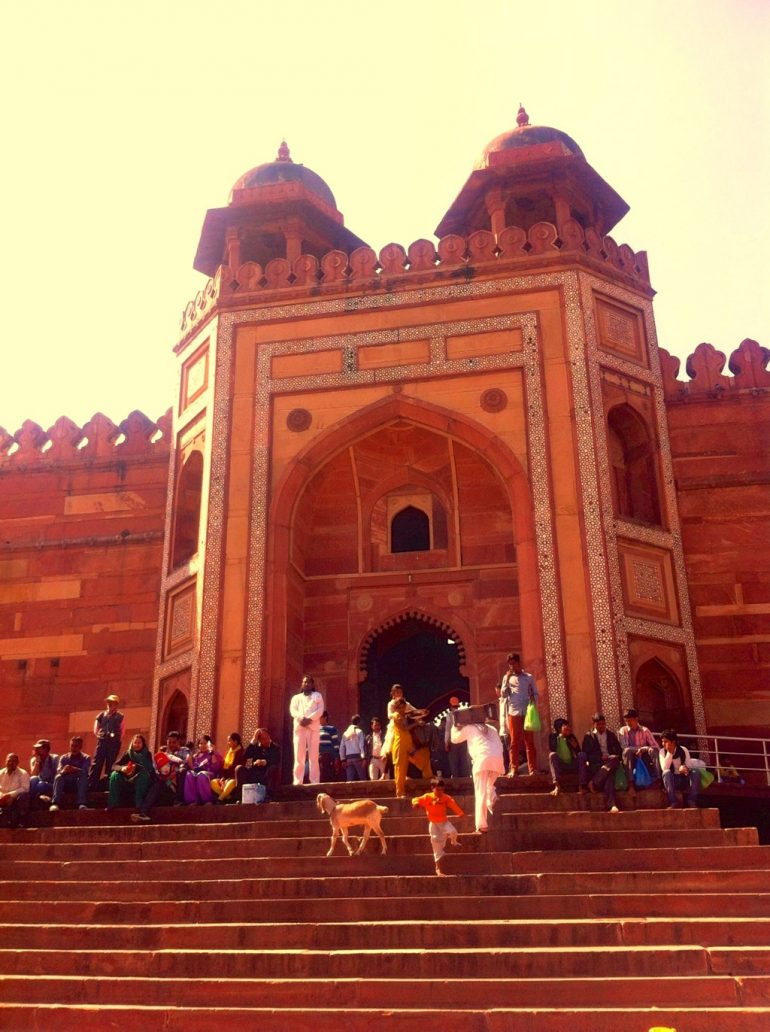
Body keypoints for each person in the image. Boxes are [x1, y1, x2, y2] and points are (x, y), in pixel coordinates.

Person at [450, 718, 504, 833]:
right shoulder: (492, 728)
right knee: (489, 786)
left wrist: (455, 726)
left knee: (480, 793)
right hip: (498, 760)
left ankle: (481, 825)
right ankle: (492, 797)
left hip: (481, 760)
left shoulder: (469, 728)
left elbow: (454, 739)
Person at [412, 777, 464, 876]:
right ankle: (438, 869)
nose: (440, 791)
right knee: (436, 846)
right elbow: (416, 799)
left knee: (453, 831)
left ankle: (453, 841)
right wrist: (416, 804)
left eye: (442, 789)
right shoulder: (427, 797)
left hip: (444, 822)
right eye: (438, 789)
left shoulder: (446, 798)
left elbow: (453, 804)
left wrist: (460, 813)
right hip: (434, 825)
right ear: (432, 788)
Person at [107, 733, 160, 822]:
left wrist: (136, 768)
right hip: (128, 780)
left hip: (142, 781)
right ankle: (112, 803)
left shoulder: (147, 754)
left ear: (143, 744)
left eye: (139, 743)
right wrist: (123, 768)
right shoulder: (128, 753)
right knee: (114, 775)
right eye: (135, 742)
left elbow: (150, 770)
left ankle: (139, 806)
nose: (137, 745)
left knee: (143, 775)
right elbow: (114, 766)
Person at [500, 653, 538, 776]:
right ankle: (513, 768)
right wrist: (507, 679)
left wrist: (533, 702)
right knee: (514, 742)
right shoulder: (507, 678)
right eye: (510, 664)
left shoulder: (528, 677)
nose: (512, 666)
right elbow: (503, 695)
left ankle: (532, 769)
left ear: (518, 663)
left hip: (527, 713)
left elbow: (536, 693)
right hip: (513, 712)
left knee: (529, 742)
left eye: (514, 663)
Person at [390, 698, 433, 798]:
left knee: (424, 755)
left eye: (403, 707)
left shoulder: (404, 714)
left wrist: (422, 712)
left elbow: (412, 713)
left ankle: (428, 776)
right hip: (400, 745)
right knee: (400, 770)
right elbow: (404, 728)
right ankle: (400, 793)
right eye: (400, 707)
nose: (402, 709)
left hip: (408, 745)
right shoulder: (396, 716)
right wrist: (416, 723)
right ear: (396, 708)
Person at [580, 713, 622, 813]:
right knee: (609, 776)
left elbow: (619, 751)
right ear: (594, 724)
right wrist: (600, 757)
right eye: (599, 724)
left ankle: (593, 782)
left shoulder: (611, 735)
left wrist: (611, 756)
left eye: (603, 724)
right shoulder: (588, 736)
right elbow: (587, 755)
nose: (601, 726)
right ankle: (612, 805)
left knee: (614, 760)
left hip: (610, 762)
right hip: (597, 764)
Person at [290, 675, 324, 785]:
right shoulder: (296, 698)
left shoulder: (317, 696)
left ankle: (314, 781)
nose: (306, 684)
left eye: (309, 682)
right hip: (300, 728)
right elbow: (292, 710)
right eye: (304, 682)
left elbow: (320, 710)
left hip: (313, 728)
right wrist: (301, 718)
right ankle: (297, 781)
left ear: (312, 684)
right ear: (302, 684)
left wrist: (309, 719)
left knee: (313, 756)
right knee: (299, 756)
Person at [618, 708, 660, 791]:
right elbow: (624, 747)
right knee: (627, 751)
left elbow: (656, 747)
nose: (628, 723)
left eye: (630, 720)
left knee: (654, 751)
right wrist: (638, 750)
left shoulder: (645, 730)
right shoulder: (623, 730)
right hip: (630, 758)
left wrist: (645, 749)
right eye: (626, 721)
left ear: (636, 719)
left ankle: (658, 781)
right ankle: (631, 784)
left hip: (643, 757)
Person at [89, 694, 124, 790]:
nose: (109, 704)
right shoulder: (101, 715)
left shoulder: (120, 717)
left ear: (116, 704)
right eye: (109, 702)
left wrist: (116, 739)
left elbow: (122, 730)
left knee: (110, 763)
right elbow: (96, 727)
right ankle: (91, 785)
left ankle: (108, 786)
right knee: (97, 763)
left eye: (112, 703)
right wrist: (99, 735)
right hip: (102, 741)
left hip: (113, 743)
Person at [236, 728, 281, 800]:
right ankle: (240, 797)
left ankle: (269, 796)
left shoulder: (275, 748)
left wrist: (265, 762)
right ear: (259, 740)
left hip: (266, 774)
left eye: (267, 738)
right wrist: (253, 739)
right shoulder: (255, 746)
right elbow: (246, 755)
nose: (267, 740)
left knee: (273, 769)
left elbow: (276, 760)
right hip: (254, 773)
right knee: (239, 768)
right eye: (263, 739)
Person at [659, 729, 699, 809]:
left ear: (673, 742)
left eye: (666, 741)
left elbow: (689, 766)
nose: (663, 744)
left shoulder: (683, 750)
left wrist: (685, 769)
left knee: (695, 772)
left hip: (684, 779)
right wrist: (670, 753)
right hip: (672, 781)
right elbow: (664, 768)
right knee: (666, 773)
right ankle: (673, 802)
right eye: (662, 742)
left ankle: (692, 801)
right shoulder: (662, 752)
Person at [50, 736, 90, 812]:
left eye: (76, 746)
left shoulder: (86, 758)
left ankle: (81, 803)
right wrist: (64, 771)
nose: (73, 748)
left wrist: (73, 769)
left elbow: (85, 771)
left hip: (78, 785)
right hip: (65, 784)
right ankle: (55, 803)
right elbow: (59, 771)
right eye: (72, 746)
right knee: (58, 777)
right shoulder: (64, 758)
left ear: (80, 747)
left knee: (83, 777)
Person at [183, 735, 224, 804]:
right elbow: (193, 768)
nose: (202, 745)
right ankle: (192, 801)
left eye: (205, 743)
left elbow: (216, 768)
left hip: (210, 774)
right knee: (189, 774)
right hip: (197, 773)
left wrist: (212, 753)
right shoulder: (196, 756)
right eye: (201, 743)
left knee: (202, 775)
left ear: (209, 744)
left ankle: (207, 800)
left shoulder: (214, 754)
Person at [154, 731, 191, 804]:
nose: (171, 745)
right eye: (169, 742)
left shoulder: (184, 750)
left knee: (182, 771)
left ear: (178, 742)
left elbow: (186, 763)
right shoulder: (165, 754)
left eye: (174, 742)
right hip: (168, 779)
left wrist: (175, 772)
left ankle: (179, 800)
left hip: (179, 775)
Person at [548, 719, 582, 795]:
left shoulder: (571, 736)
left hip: (572, 764)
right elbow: (552, 749)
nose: (568, 728)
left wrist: (575, 747)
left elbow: (579, 752)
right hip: (561, 765)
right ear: (559, 728)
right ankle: (557, 786)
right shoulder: (553, 737)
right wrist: (559, 738)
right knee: (552, 755)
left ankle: (582, 786)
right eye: (565, 726)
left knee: (582, 755)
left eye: (568, 726)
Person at [211, 732, 245, 802]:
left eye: (229, 740)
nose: (228, 742)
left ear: (235, 742)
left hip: (234, 778)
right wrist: (223, 779)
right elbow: (224, 767)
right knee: (213, 782)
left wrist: (227, 780)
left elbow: (236, 767)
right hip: (226, 778)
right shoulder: (227, 753)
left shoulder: (241, 752)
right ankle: (228, 798)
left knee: (231, 783)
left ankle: (220, 799)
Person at [0, 753, 30, 828]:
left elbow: (25, 788)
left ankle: (21, 821)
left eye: (13, 761)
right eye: (9, 761)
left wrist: (10, 795)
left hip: (15, 800)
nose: (11, 763)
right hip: (2, 799)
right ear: (5, 762)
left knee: (24, 796)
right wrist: (2, 796)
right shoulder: (1, 773)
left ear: (17, 763)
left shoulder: (23, 773)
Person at [444, 697, 471, 780]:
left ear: (450, 706)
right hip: (463, 740)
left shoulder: (450, 715)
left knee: (454, 761)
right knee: (464, 760)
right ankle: (465, 778)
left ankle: (456, 779)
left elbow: (448, 729)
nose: (455, 708)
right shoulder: (463, 714)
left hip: (454, 740)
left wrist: (446, 742)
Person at [29, 739, 59, 804]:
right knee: (33, 779)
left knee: (41, 785)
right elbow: (34, 774)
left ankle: (32, 800)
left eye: (39, 748)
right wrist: (37, 762)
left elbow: (57, 774)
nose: (36, 750)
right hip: (39, 782)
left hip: (51, 783)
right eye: (36, 748)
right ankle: (31, 800)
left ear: (46, 749)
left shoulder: (54, 758)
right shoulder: (34, 760)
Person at [339, 715, 367, 781]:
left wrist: (343, 759)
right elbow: (361, 745)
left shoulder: (345, 733)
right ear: (359, 722)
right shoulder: (359, 731)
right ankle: (364, 791)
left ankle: (348, 791)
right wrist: (363, 758)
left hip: (348, 758)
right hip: (358, 757)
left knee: (350, 779)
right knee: (362, 778)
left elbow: (342, 748)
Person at [318, 710, 341, 783]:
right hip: (318, 756)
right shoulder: (316, 729)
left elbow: (336, 744)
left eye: (320, 717)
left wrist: (336, 757)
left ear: (325, 717)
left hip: (328, 756)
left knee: (328, 774)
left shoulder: (332, 729)